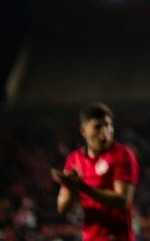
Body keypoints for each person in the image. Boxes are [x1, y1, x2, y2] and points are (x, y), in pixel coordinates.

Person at [51, 101, 139, 241]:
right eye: (98, 127)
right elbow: (62, 209)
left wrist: (82, 187)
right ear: (83, 131)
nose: (104, 132)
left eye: (108, 125)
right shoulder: (75, 159)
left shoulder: (122, 155)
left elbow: (122, 202)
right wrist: (71, 188)